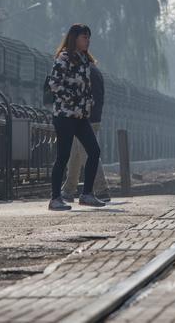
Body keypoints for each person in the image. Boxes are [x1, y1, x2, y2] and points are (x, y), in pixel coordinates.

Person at [47, 24, 106, 211]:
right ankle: (55, 198)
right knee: (63, 156)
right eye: (84, 38)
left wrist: (88, 103)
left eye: (88, 38)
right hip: (65, 115)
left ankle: (87, 194)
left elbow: (86, 88)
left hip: (80, 116)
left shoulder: (83, 60)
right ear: (75, 39)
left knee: (94, 151)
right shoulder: (64, 58)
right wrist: (73, 99)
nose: (87, 41)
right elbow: (54, 85)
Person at [60, 61, 112, 203]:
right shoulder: (94, 70)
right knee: (75, 153)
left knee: (87, 153)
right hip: (90, 117)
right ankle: (68, 190)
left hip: (84, 118)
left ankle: (101, 189)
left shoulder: (83, 71)